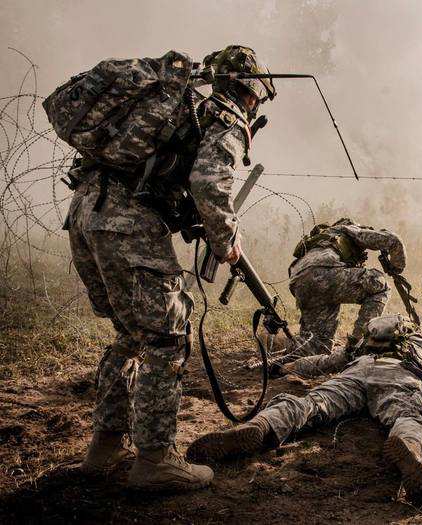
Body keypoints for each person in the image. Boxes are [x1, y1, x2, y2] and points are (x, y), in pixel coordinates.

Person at [65, 45, 275, 491]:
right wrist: (227, 243)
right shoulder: (222, 113)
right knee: (165, 338)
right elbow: (208, 183)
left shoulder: (177, 103)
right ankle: (155, 460)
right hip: (128, 224)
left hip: (86, 212)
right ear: (252, 91)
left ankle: (103, 449)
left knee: (131, 334)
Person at [187, 314, 422, 507]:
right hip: (400, 375)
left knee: (309, 404)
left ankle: (262, 426)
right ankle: (407, 445)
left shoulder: (362, 347)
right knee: (410, 415)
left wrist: (283, 366)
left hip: (355, 374)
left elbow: (321, 362)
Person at [287, 218, 406, 356]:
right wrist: (397, 267)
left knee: (318, 347)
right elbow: (393, 240)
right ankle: (359, 343)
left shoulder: (318, 242)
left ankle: (285, 359)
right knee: (379, 285)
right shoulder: (347, 230)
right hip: (325, 274)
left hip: (300, 284)